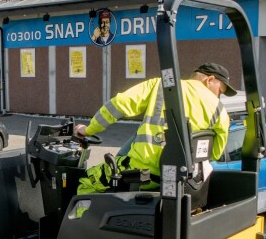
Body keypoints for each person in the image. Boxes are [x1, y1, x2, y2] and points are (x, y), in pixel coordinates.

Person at [74, 62, 235, 194]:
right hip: (179, 179)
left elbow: (119, 104)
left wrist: (88, 130)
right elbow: (215, 153)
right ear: (209, 80)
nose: (218, 96)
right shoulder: (220, 110)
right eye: (220, 91)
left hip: (140, 171)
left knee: (85, 183)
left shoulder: (159, 86)